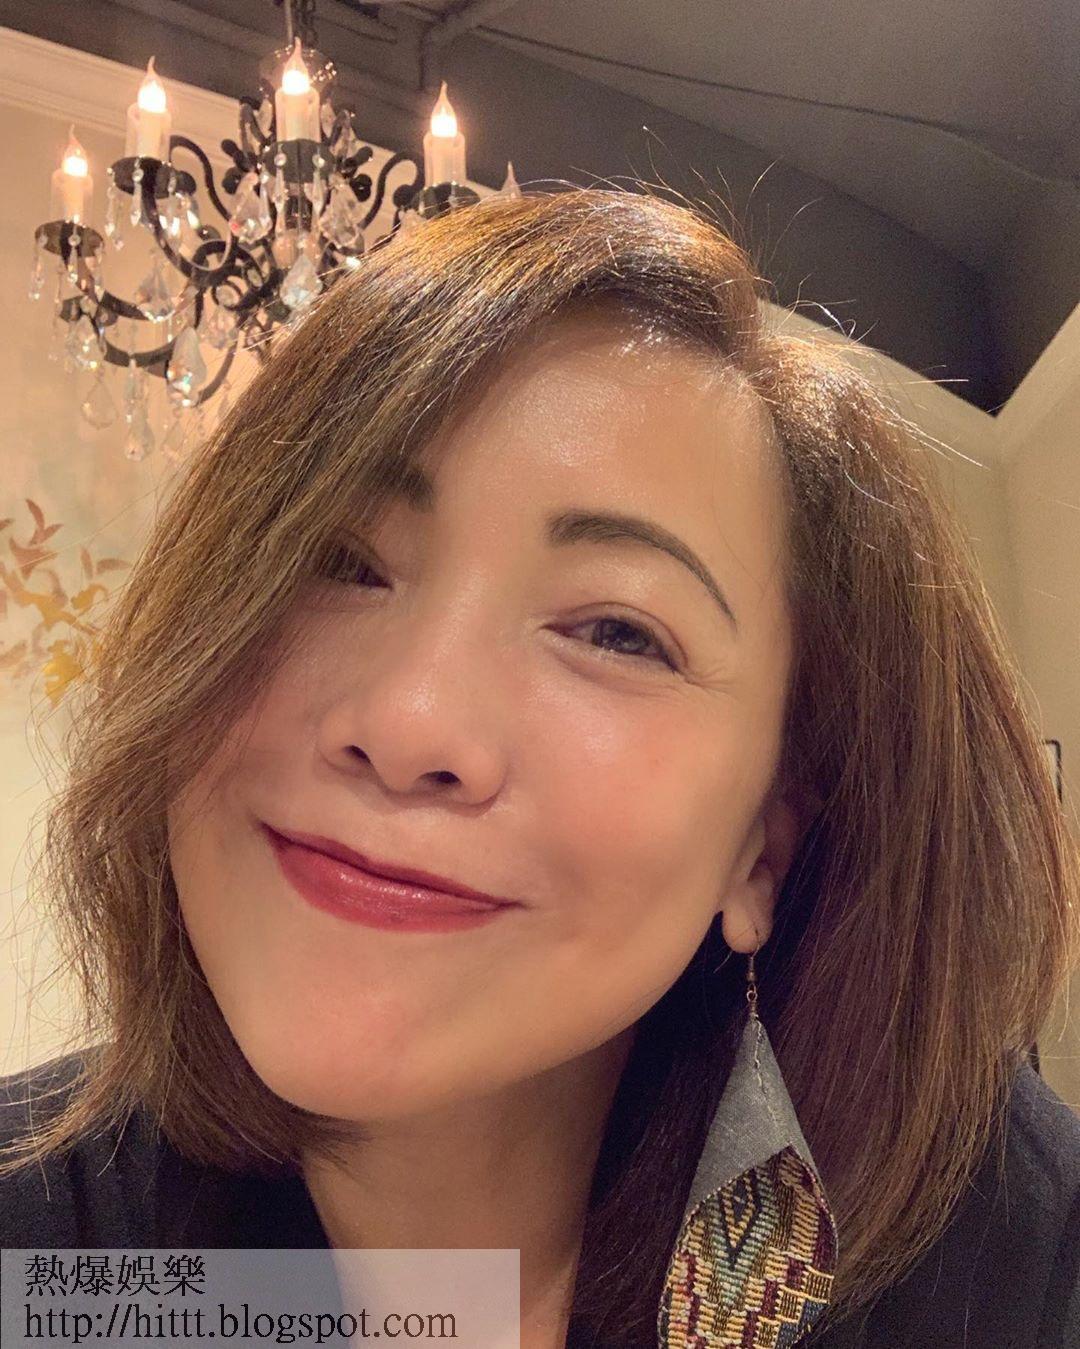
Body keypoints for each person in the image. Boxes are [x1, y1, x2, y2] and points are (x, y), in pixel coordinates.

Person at [2, 187, 1079, 1349]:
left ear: (761, 849)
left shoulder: (1005, 1255)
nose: (408, 723)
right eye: (337, 559)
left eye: (617, 632)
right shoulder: (44, 1251)